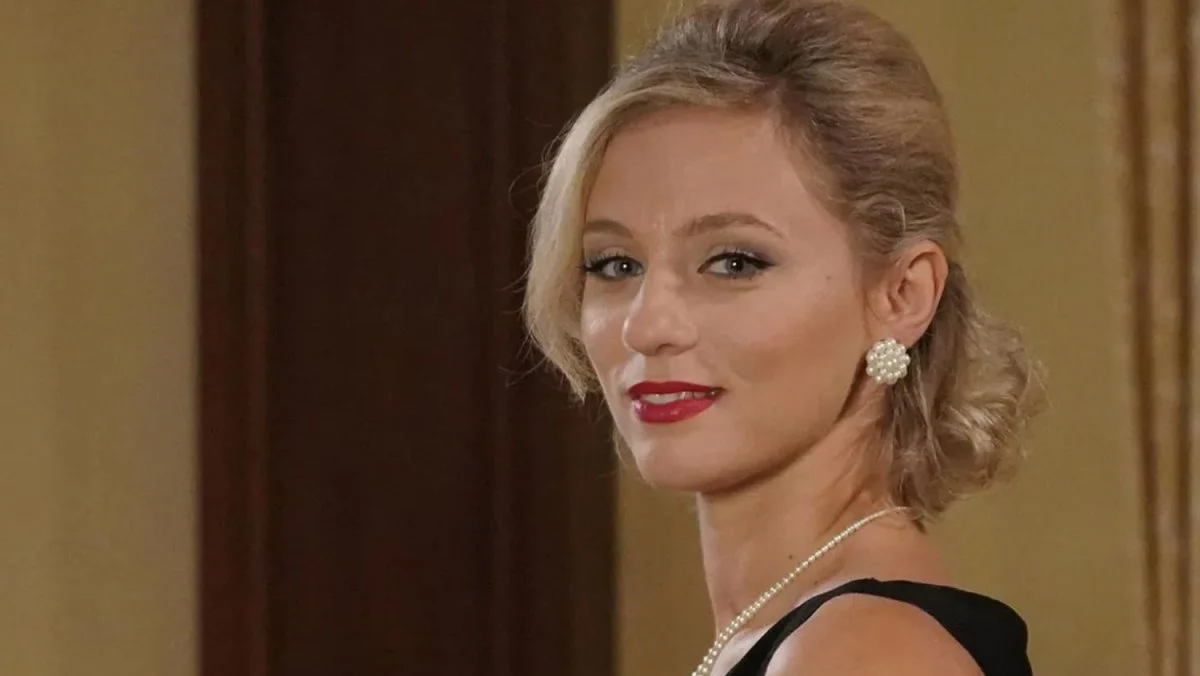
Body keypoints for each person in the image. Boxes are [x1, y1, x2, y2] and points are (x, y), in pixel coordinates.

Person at [523, 0, 1044, 674]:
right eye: (614, 265)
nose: (646, 326)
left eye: (734, 262)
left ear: (902, 295)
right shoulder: (807, 636)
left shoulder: (861, 653)